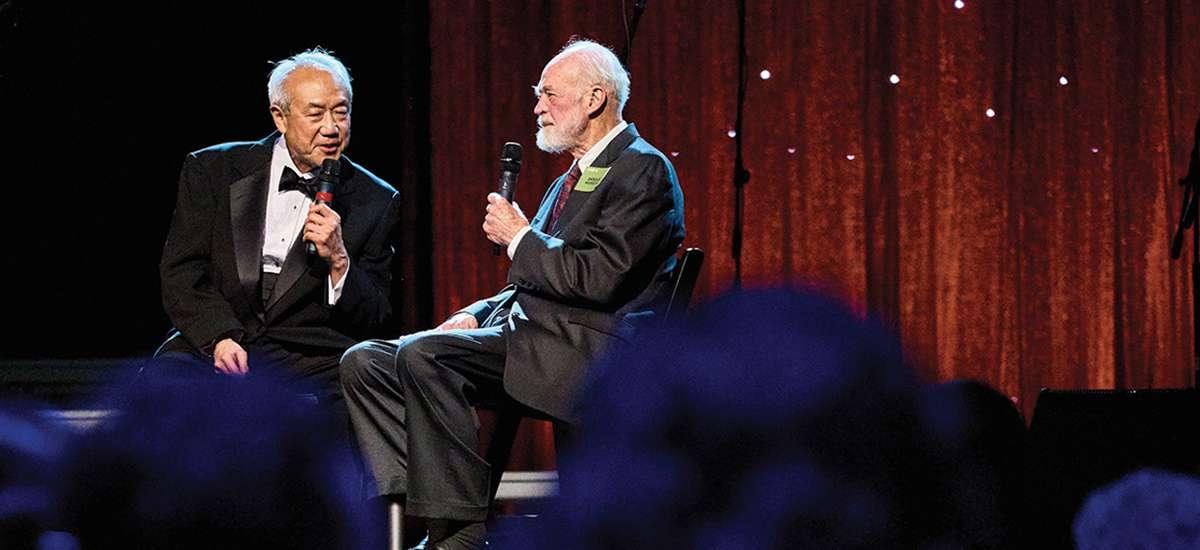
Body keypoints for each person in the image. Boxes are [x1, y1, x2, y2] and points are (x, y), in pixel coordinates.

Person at [340, 38, 685, 548]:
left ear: (594, 99)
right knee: (365, 360)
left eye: (548, 94)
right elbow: (533, 282)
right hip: (533, 338)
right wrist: (475, 313)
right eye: (536, 95)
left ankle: (455, 532)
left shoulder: (642, 168)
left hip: (590, 355)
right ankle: (415, 502)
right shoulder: (571, 176)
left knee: (426, 356)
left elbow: (599, 277)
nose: (537, 107)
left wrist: (520, 236)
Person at [150, 47, 400, 402]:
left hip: (310, 359)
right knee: (162, 387)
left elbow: (376, 315)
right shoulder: (212, 170)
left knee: (351, 397)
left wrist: (339, 261)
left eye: (341, 113)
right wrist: (220, 338)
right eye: (315, 114)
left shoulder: (375, 199)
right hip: (217, 339)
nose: (331, 128)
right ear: (279, 117)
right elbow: (182, 273)